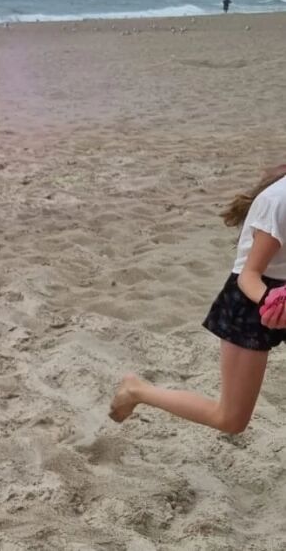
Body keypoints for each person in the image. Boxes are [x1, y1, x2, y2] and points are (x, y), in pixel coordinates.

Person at [110, 166, 286, 433]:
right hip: (253, 300)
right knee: (230, 419)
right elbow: (249, 275)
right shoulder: (278, 202)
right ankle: (137, 391)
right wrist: (270, 303)